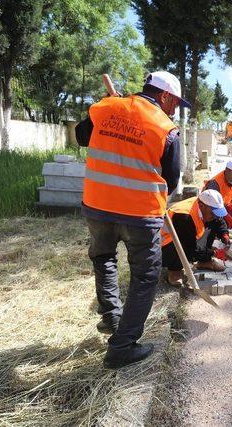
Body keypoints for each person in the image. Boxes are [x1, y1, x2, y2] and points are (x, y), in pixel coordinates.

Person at [75, 71, 190, 369]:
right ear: (164, 96)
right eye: (175, 102)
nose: (175, 109)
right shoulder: (166, 128)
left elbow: (81, 136)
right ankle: (122, 346)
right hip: (140, 214)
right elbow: (172, 178)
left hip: (98, 207)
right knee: (145, 276)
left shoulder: (107, 108)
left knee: (104, 258)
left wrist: (112, 119)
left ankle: (112, 319)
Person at [161, 190, 232, 285]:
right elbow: (191, 248)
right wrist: (214, 252)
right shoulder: (183, 216)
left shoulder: (206, 207)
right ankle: (175, 270)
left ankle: (204, 261)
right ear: (202, 206)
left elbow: (219, 221)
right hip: (166, 246)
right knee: (181, 247)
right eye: (213, 213)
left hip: (188, 238)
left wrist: (224, 234)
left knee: (213, 221)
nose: (215, 215)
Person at [202, 160, 232, 229]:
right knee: (213, 213)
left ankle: (225, 229)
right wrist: (225, 215)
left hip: (225, 208)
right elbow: (210, 205)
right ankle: (215, 230)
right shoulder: (215, 183)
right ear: (227, 170)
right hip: (212, 210)